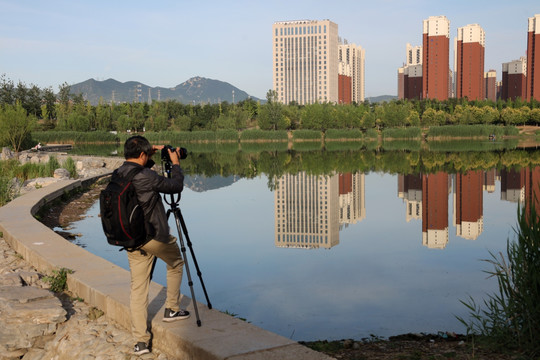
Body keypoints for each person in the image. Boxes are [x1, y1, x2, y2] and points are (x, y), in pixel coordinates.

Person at [117, 135, 190, 355]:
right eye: (146, 153)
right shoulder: (147, 176)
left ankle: (140, 342)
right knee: (176, 262)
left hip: (131, 238)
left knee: (138, 288)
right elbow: (175, 186)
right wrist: (175, 163)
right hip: (153, 236)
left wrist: (151, 153)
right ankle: (172, 309)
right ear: (142, 154)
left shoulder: (119, 173)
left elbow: (140, 169)